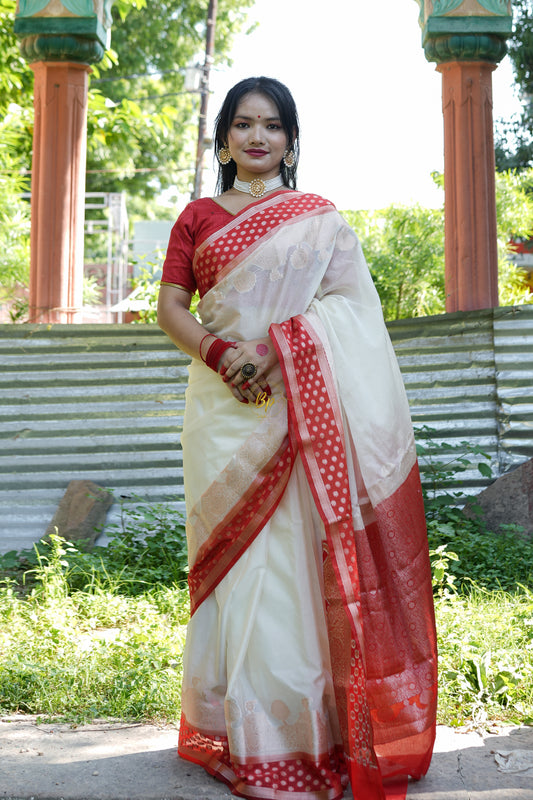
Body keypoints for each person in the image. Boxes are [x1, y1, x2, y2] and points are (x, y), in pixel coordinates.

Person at [157, 76, 437, 800]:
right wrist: (223, 354)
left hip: (303, 416)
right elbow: (171, 307)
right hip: (222, 411)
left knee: (291, 572)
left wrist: (280, 349)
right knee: (241, 571)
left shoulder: (318, 219)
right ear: (224, 139)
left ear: (290, 140)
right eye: (244, 124)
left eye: (273, 125)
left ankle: (309, 736)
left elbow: (351, 307)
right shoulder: (196, 218)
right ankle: (247, 735)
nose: (258, 136)